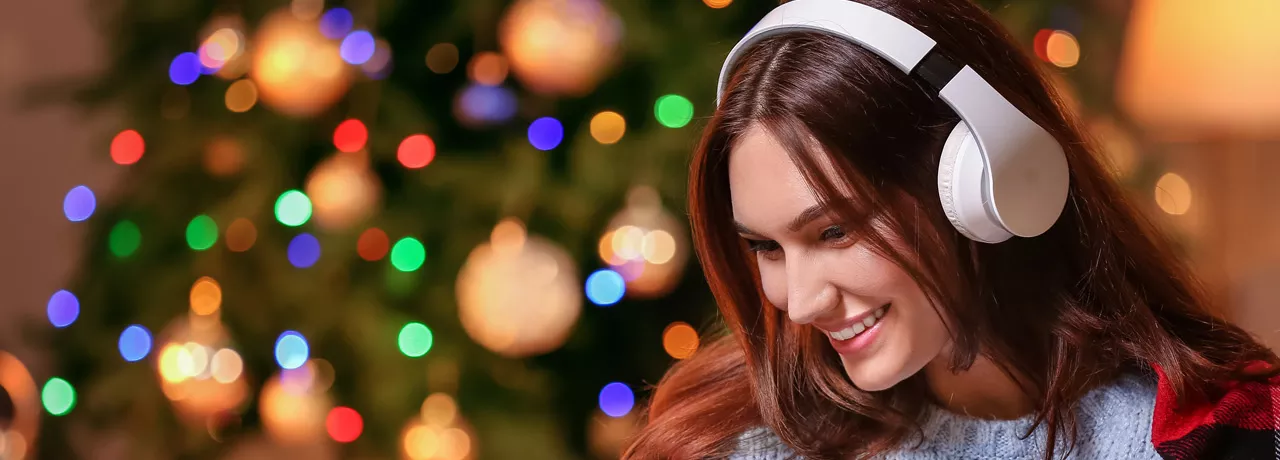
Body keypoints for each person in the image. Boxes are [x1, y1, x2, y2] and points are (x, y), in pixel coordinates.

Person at [621, 0, 1280, 458]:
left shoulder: (1226, 433)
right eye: (764, 247)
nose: (799, 299)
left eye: (832, 232)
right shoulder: (725, 446)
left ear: (983, 183)